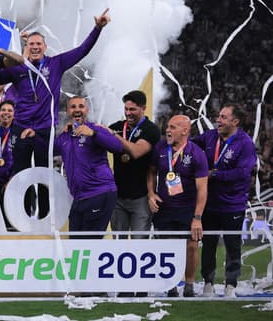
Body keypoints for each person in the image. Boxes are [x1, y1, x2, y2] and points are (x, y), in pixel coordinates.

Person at [0, 10, 110, 216]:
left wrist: (97, 28)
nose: (35, 47)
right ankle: (22, 217)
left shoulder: (56, 63)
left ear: (45, 47)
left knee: (44, 173)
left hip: (44, 129)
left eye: (39, 44)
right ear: (26, 47)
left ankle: (44, 218)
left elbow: (82, 50)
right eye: (31, 44)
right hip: (20, 127)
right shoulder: (17, 68)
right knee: (21, 174)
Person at [191, 104, 257, 297]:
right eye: (218, 116)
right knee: (208, 245)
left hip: (233, 204)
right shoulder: (210, 136)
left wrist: (214, 174)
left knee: (232, 246)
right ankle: (208, 283)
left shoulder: (245, 143)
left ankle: (231, 285)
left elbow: (242, 172)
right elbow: (190, 145)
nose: (218, 120)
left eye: (223, 117)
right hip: (210, 203)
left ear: (235, 121)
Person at [147, 114, 208, 297]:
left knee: (191, 246)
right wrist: (151, 193)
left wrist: (197, 217)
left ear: (185, 130)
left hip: (187, 209)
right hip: (164, 208)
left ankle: (189, 284)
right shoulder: (160, 148)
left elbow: (202, 189)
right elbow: (151, 172)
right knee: (167, 248)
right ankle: (171, 285)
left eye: (173, 127)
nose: (167, 130)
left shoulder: (196, 153)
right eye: (168, 127)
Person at [53, 97, 122, 235]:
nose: (77, 109)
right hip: (79, 198)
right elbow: (49, 151)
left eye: (81, 106)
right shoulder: (65, 136)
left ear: (87, 110)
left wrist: (94, 134)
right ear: (67, 111)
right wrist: (35, 135)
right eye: (73, 107)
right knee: (76, 243)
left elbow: (118, 147)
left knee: (89, 243)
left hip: (99, 193)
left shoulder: (95, 128)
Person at [109, 90, 161, 235]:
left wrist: (114, 136)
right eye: (126, 109)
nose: (128, 113)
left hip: (141, 197)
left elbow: (136, 151)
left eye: (132, 109)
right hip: (118, 197)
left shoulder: (151, 129)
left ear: (143, 108)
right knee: (118, 242)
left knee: (139, 243)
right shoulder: (117, 127)